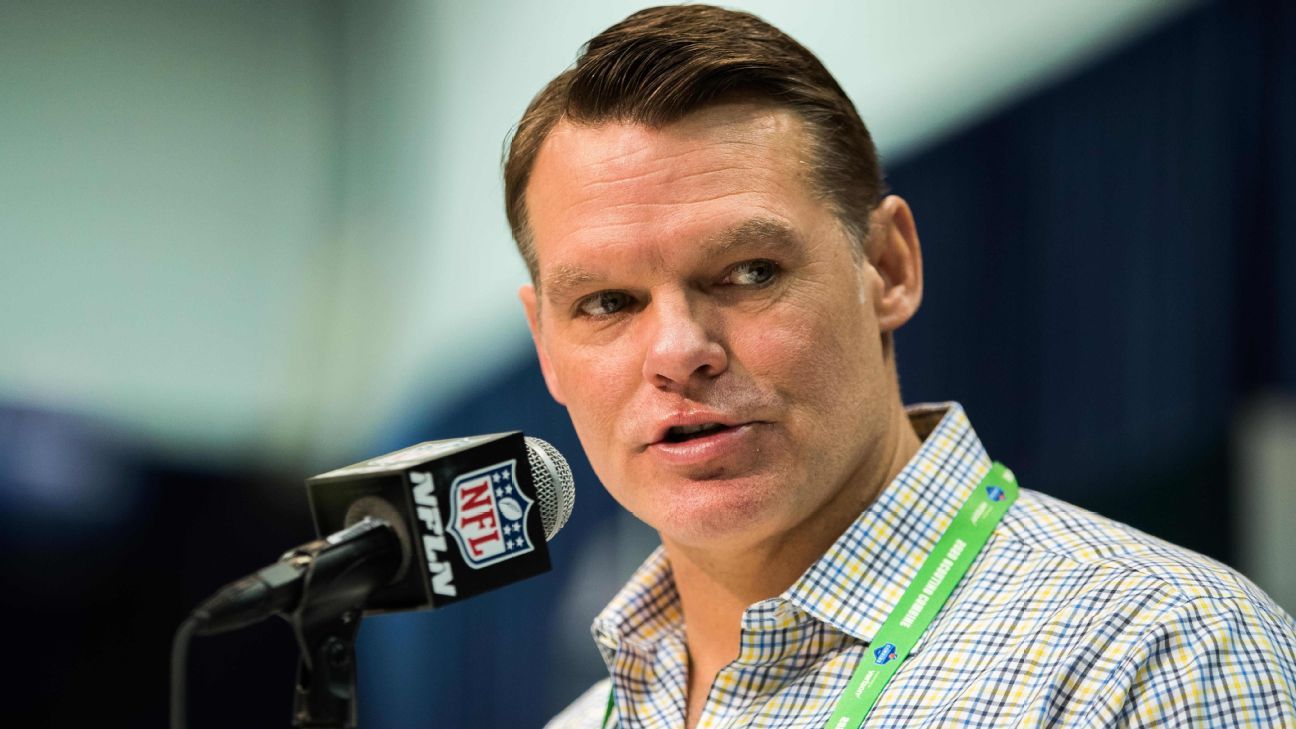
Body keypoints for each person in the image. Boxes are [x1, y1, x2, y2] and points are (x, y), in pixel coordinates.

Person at [503, 5, 1296, 727]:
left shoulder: (1158, 654)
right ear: (546, 345)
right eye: (607, 302)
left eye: (749, 272)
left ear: (887, 266)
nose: (678, 352)